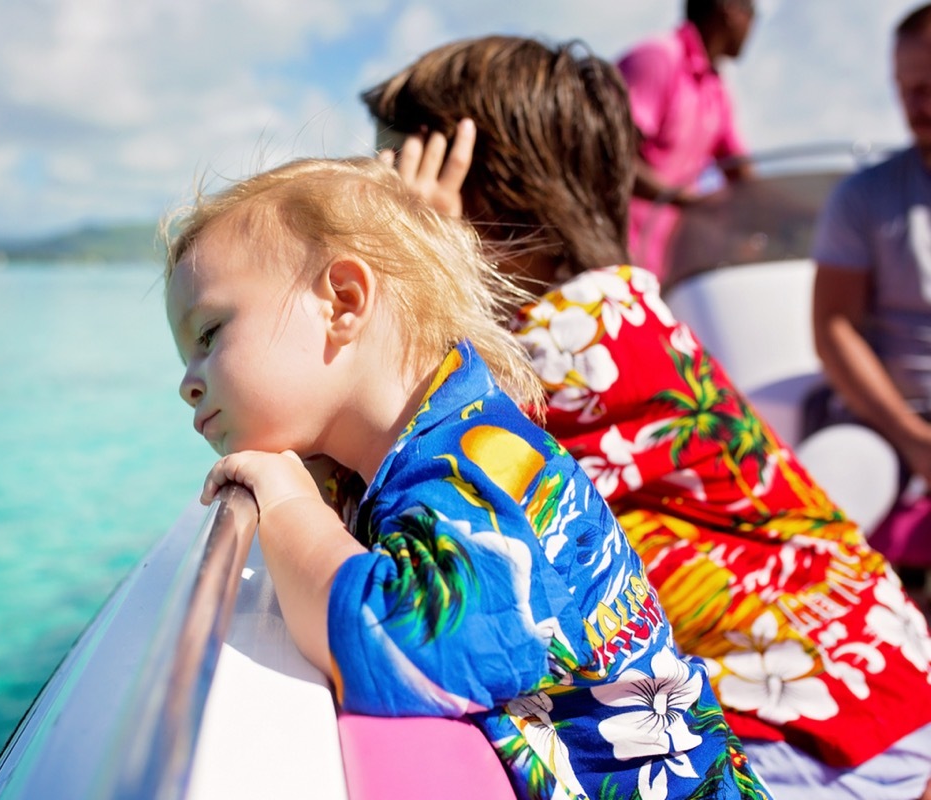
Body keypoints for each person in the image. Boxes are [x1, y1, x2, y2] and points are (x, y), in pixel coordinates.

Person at [364, 34, 931, 800]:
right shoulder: (618, 312)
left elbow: (397, 467)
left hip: (815, 728)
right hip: (881, 676)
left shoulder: (554, 352)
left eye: (395, 196)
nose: (373, 224)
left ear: (477, 200)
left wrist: (417, 275)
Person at [164, 156, 771, 800]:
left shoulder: (476, 461)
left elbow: (400, 642)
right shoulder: (438, 439)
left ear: (343, 302)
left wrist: (287, 502)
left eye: (209, 333)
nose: (187, 383)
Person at [812, 3, 931, 599]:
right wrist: (913, 437)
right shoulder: (864, 198)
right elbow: (834, 330)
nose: (918, 107)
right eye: (907, 90)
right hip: (887, 423)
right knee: (839, 481)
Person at [617, 0, 756, 278]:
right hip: (612, 252)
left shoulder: (715, 90)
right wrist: (690, 201)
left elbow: (742, 174)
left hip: (662, 264)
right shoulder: (658, 58)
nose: (753, 26)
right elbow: (609, 158)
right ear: (731, 10)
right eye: (752, 13)